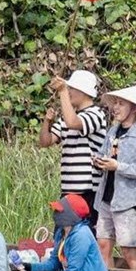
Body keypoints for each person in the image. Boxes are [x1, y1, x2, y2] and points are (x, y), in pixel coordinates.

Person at [92, 86, 136, 270]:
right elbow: (104, 153)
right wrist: (98, 161)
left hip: (130, 201)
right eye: (115, 103)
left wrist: (118, 166)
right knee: (103, 246)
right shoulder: (112, 131)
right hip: (107, 197)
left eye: (121, 104)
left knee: (128, 250)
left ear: (134, 107)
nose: (116, 107)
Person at [17, 194, 112, 271]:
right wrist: (30, 267)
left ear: (71, 215)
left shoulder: (81, 235)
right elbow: (53, 264)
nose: (56, 213)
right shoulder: (61, 232)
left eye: (59, 211)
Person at [38, 68, 109, 215]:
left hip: (88, 190)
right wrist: (47, 122)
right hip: (68, 188)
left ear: (82, 91)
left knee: (83, 232)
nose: (69, 92)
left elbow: (73, 122)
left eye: (71, 88)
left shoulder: (96, 114)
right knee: (64, 231)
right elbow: (46, 142)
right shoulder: (67, 118)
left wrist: (62, 91)